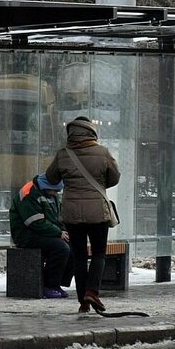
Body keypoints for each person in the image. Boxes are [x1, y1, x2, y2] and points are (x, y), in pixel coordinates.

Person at [45, 116, 121, 315]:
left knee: (79, 256)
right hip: (97, 211)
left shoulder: (63, 154)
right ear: (91, 132)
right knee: (98, 253)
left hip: (72, 213)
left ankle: (83, 302)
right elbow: (115, 177)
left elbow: (52, 177)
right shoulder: (103, 152)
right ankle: (92, 291)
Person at [10, 174, 73, 299]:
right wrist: (58, 232)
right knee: (61, 248)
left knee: (73, 246)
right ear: (46, 187)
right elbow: (34, 222)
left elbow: (56, 218)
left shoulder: (48, 193)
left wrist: (64, 231)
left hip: (44, 232)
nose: (55, 194)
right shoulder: (29, 194)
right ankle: (49, 286)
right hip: (27, 235)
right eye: (54, 191)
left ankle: (58, 283)